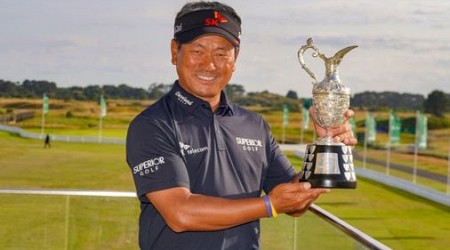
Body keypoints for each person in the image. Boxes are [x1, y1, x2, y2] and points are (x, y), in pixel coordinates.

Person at [126, 1, 357, 249]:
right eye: (197, 50)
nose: (209, 64)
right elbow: (181, 213)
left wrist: (327, 153)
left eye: (221, 53)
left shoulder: (254, 124)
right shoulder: (152, 125)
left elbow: (293, 201)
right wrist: (269, 205)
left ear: (235, 59)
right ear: (175, 52)